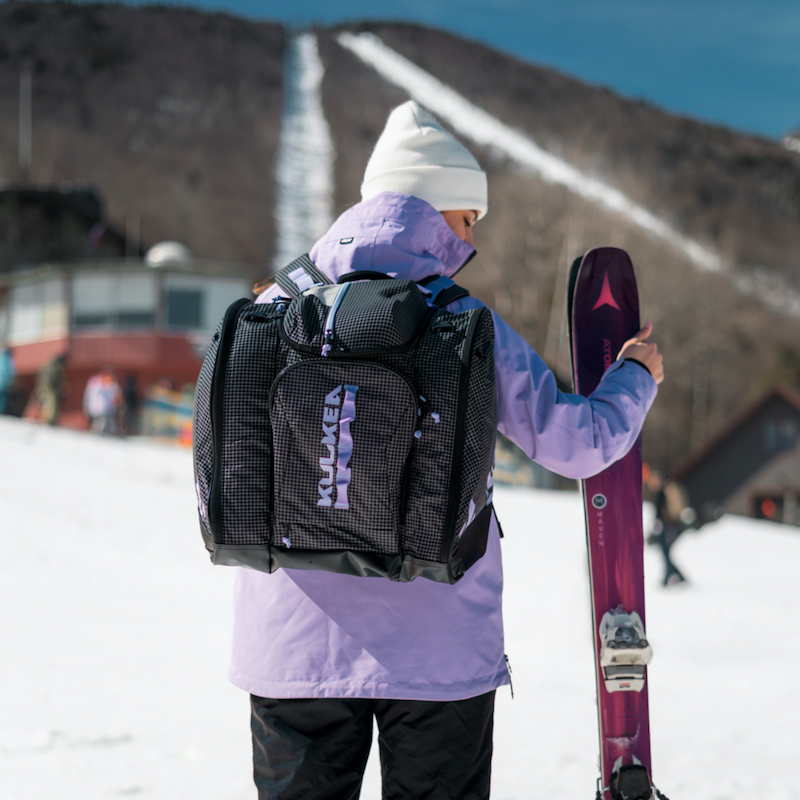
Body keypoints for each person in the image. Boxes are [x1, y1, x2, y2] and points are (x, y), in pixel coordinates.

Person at [236, 101, 663, 799]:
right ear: (441, 213)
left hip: (289, 644)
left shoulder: (274, 309)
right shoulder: (461, 322)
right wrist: (636, 378)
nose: (471, 238)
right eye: (469, 219)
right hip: (437, 648)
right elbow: (577, 444)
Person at [83, 367, 123, 435]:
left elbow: (116, 397)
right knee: (99, 425)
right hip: (97, 409)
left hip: (107, 410)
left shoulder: (112, 384)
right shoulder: (95, 383)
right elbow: (89, 396)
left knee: (107, 425)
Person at [0, 344, 15, 415]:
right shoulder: (6, 358)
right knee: (2, 399)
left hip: (2, 383)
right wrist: (10, 381)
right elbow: (7, 371)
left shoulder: (2, 357)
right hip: (3, 384)